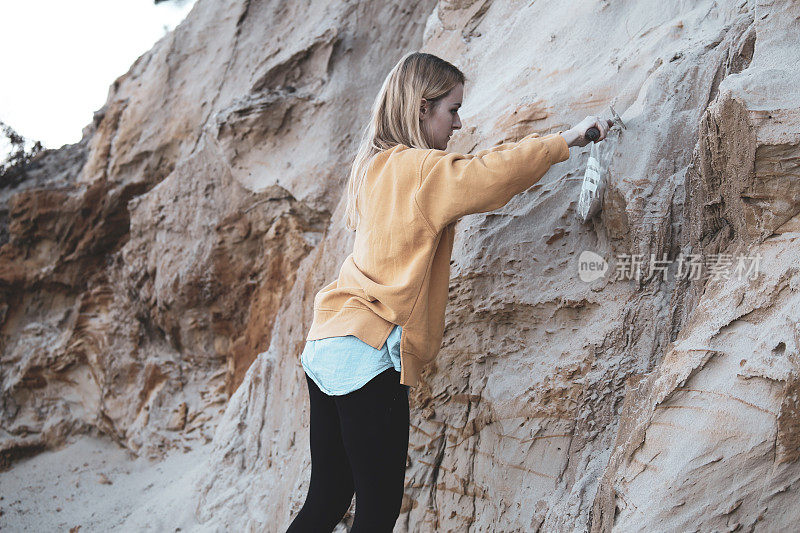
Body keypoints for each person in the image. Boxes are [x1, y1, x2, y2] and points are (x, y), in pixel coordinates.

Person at [286, 51, 612, 533]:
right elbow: (489, 176)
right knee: (376, 513)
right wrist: (568, 138)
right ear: (423, 108)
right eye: (452, 110)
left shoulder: (374, 165)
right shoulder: (421, 169)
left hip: (328, 341)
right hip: (368, 350)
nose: (458, 123)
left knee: (328, 496)